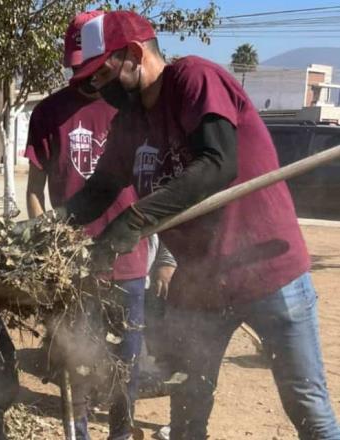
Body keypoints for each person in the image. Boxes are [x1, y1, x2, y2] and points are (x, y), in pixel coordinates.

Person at [63, 10, 340, 439]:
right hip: (201, 286)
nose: (98, 89)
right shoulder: (131, 124)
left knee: (306, 406)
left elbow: (217, 164)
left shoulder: (193, 79)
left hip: (269, 273)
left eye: (102, 76)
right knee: (189, 409)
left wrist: (134, 220)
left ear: (134, 54)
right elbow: (98, 190)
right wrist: (46, 229)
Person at [25, 11, 150, 440]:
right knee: (77, 365)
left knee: (127, 366)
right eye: (78, 67)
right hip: (74, 268)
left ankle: (119, 434)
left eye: (93, 66)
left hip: (129, 264)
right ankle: (77, 433)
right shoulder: (48, 112)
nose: (87, 76)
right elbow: (35, 193)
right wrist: (47, 244)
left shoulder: (133, 107)